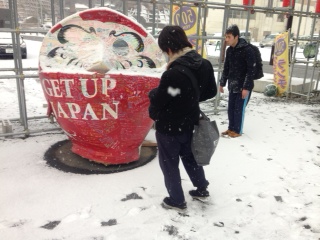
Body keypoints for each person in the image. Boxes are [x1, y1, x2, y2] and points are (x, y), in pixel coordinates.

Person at [148, 25, 217, 211]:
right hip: (190, 123)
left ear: (169, 49)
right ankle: (201, 188)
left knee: (169, 163)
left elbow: (163, 98)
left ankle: (177, 200)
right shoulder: (204, 64)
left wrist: (153, 96)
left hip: (169, 127)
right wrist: (191, 97)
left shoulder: (173, 73)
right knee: (190, 157)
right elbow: (211, 91)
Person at [219, 24, 256, 138]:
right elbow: (227, 68)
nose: (227, 39)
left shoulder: (247, 50)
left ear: (236, 37)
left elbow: (251, 70)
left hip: (243, 86)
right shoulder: (230, 51)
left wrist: (246, 87)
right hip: (232, 84)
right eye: (226, 37)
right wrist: (222, 83)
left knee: (238, 109)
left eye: (229, 37)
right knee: (231, 108)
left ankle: (237, 130)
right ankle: (231, 128)